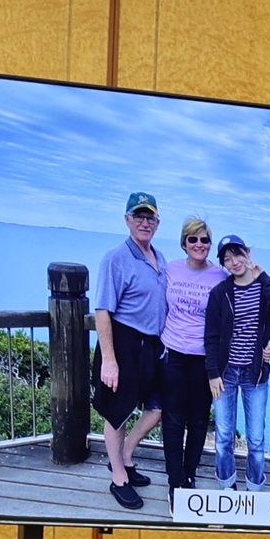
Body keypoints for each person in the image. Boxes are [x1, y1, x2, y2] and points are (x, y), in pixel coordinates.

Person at [91, 192, 168, 512]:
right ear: (127, 219)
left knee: (158, 407)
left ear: (157, 223)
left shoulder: (159, 257)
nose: (144, 223)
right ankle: (119, 478)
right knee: (118, 412)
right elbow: (102, 310)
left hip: (151, 346)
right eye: (139, 216)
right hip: (123, 343)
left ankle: (124, 456)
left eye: (150, 217)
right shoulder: (116, 258)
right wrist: (109, 360)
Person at [203, 235, 270, 490]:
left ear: (248, 253)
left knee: (255, 438)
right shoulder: (221, 292)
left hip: (255, 374)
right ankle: (227, 486)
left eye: (238, 254)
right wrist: (212, 373)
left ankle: (254, 489)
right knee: (224, 435)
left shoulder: (266, 286)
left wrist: (264, 278)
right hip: (226, 374)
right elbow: (211, 336)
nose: (234, 262)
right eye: (227, 259)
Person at [153, 215, 222, 502]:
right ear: (184, 243)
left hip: (203, 359)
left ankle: (189, 474)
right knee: (172, 421)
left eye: (204, 239)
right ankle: (175, 481)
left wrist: (264, 338)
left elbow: (241, 306)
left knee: (198, 421)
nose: (199, 244)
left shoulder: (220, 276)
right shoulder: (171, 269)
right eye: (193, 239)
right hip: (172, 355)